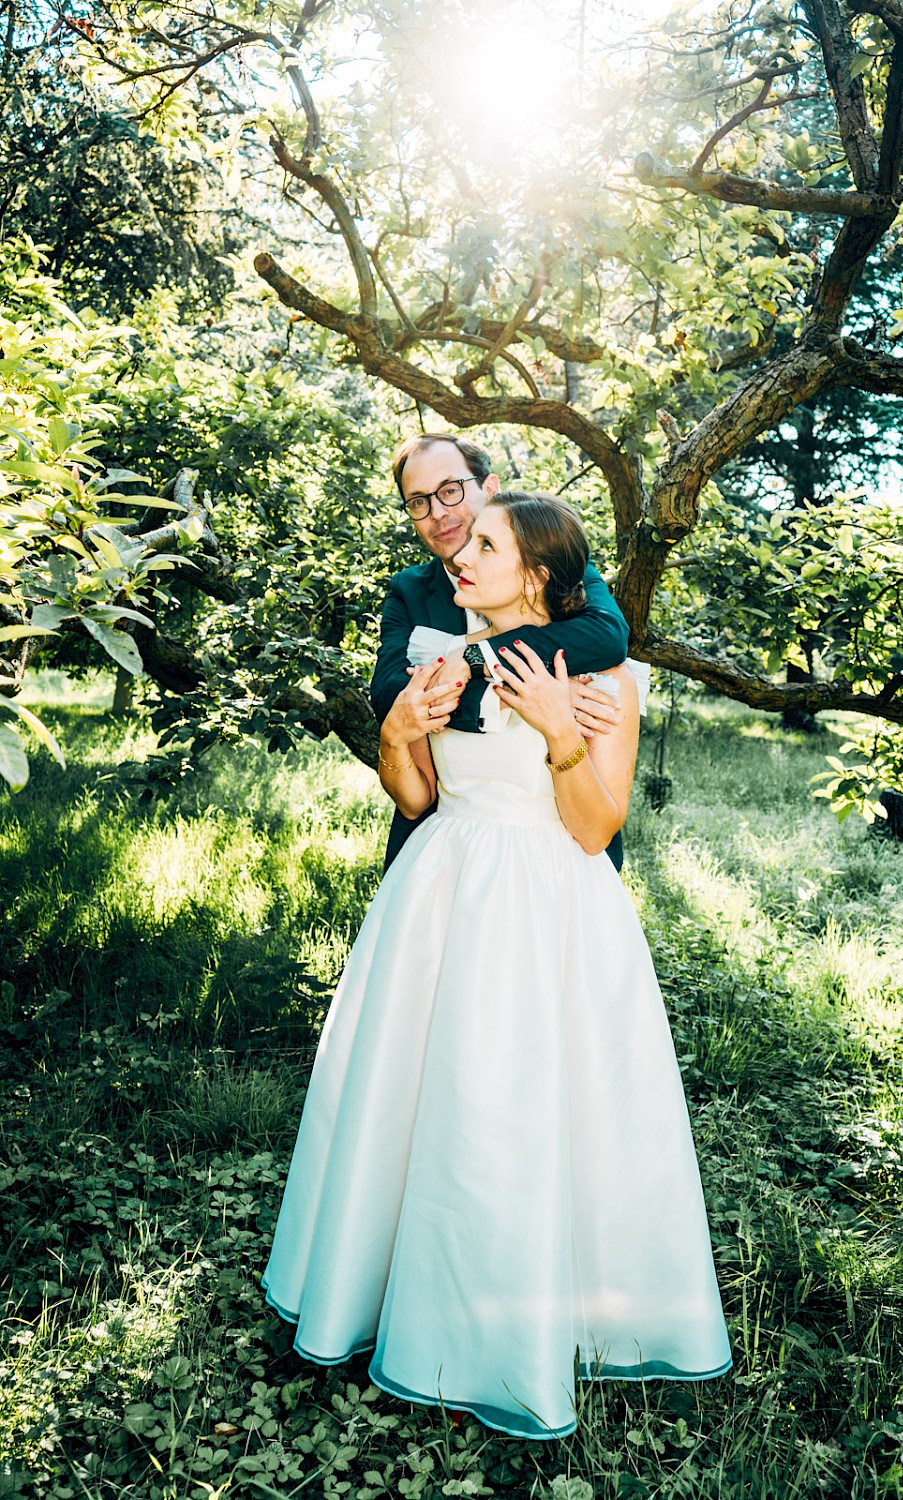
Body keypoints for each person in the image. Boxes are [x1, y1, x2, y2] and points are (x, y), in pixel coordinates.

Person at [262, 491, 732, 1440]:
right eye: (463, 541)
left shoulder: (612, 682)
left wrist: (561, 732)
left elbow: (596, 829)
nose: (459, 553)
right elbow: (420, 797)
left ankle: (544, 1320)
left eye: (485, 544)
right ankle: (387, 1286)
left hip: (549, 909)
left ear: (540, 575)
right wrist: (398, 733)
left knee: (525, 1110)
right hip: (437, 898)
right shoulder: (438, 655)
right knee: (414, 1101)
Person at [370, 433, 631, 871]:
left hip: (560, 863)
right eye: (418, 502)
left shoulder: (560, 564)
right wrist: (514, 695)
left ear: (488, 488)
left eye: (450, 490)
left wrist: (482, 661)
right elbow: (393, 694)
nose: (438, 513)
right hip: (443, 856)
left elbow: (607, 636)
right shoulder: (409, 592)